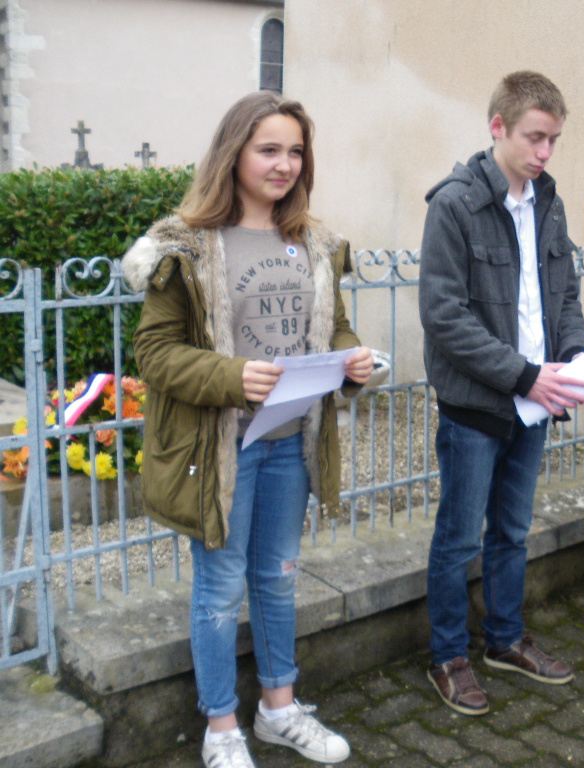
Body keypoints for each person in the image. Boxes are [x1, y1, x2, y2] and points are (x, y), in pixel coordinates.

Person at [123, 91, 374, 767]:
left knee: (279, 576)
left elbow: (334, 327)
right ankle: (220, 728)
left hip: (291, 440)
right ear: (233, 153)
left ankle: (279, 710)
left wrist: (352, 361)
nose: (284, 164)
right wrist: (233, 377)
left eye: (295, 151)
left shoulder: (314, 243)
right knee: (220, 586)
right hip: (222, 448)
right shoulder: (184, 246)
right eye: (269, 149)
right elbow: (155, 354)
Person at [419, 71, 584, 715]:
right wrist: (525, 375)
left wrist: (573, 357)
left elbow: (564, 293)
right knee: (459, 537)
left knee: (512, 531)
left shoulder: (548, 201)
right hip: (478, 405)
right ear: (498, 128)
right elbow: (444, 316)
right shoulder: (455, 205)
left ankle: (504, 639)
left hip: (536, 398)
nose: (545, 153)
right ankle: (447, 655)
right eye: (535, 138)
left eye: (553, 141)